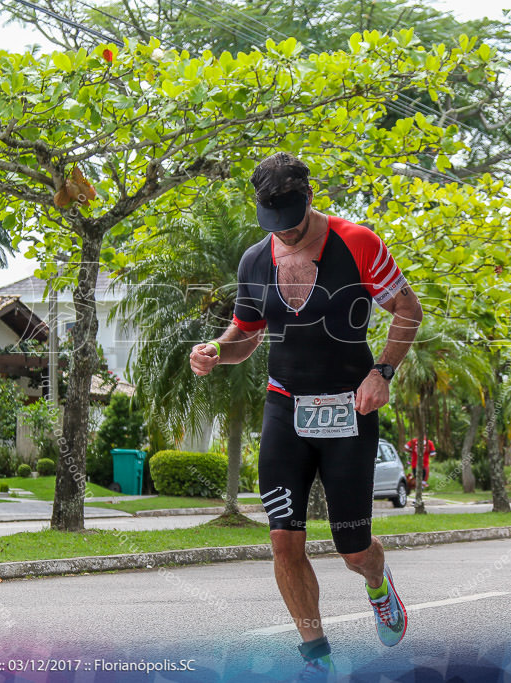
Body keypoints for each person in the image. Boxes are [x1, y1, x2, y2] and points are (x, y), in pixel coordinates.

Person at [189, 152, 422, 681]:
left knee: (354, 548)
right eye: (274, 225)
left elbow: (408, 310)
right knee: (283, 539)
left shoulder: (358, 243)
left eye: (292, 223)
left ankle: (379, 587)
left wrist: (381, 372)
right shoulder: (254, 261)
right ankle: (317, 657)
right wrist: (213, 351)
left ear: (309, 198)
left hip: (350, 408)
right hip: (284, 408)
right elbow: (244, 338)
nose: (286, 235)